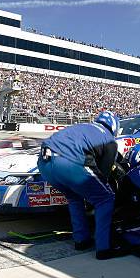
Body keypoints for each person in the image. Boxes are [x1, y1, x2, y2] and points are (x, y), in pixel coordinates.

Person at [37, 110, 127, 260]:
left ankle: (81, 240)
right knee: (105, 198)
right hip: (68, 163)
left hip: (44, 163)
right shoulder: (109, 139)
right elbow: (103, 175)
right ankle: (104, 248)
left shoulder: (83, 126)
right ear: (114, 127)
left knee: (74, 198)